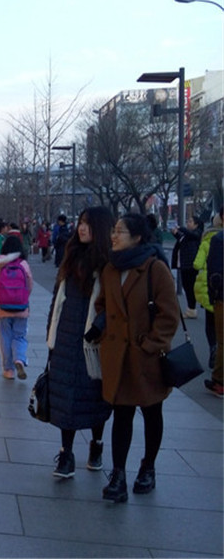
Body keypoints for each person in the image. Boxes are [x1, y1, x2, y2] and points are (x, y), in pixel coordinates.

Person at [85, 213, 178, 503]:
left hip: (146, 357)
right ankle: (118, 475)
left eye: (120, 231)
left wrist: (150, 344)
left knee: (152, 412)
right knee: (121, 415)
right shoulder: (110, 268)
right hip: (118, 356)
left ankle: (148, 467)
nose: (113, 236)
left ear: (137, 237)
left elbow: (169, 314)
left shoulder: (154, 268)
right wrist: (102, 331)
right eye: (113, 230)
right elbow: (102, 304)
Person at [46, 207, 115, 478]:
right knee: (66, 399)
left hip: (94, 342)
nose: (81, 228)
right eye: (81, 223)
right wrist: (50, 334)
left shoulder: (110, 264)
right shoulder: (71, 256)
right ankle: (66, 454)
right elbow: (57, 298)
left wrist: (100, 327)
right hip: (65, 338)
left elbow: (114, 306)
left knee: (95, 399)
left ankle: (97, 444)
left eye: (88, 224)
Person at [0, 234, 33, 380]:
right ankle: (19, 359)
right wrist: (23, 299)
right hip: (21, 308)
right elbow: (29, 286)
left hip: (3, 308)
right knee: (19, 336)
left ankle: (8, 370)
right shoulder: (23, 264)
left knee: (5, 338)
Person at [194, 209, 222, 369]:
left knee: (210, 322)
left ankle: (213, 348)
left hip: (208, 286)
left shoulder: (207, 241)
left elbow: (197, 264)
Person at [203, 228, 223, 397]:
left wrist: (213, 296)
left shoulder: (219, 239)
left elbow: (214, 275)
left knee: (222, 341)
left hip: (222, 298)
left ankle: (219, 381)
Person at [171, 215, 203, 318]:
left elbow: (190, 236)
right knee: (187, 286)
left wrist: (181, 228)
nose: (188, 223)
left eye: (190, 222)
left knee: (190, 287)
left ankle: (191, 309)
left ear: (196, 225)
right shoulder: (188, 235)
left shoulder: (197, 233)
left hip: (190, 264)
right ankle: (190, 309)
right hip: (184, 263)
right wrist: (175, 233)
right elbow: (182, 240)